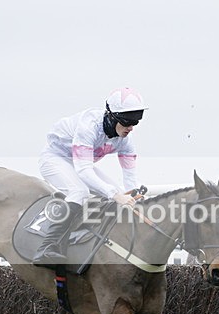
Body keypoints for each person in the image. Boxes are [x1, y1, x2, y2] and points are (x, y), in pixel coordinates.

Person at [33, 87, 146, 267]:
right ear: (112, 116)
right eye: (127, 122)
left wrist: (135, 197)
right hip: (55, 158)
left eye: (136, 122)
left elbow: (130, 181)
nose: (131, 128)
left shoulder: (126, 141)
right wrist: (115, 196)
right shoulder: (89, 126)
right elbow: (84, 171)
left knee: (119, 193)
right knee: (80, 192)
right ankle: (46, 247)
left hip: (78, 162)